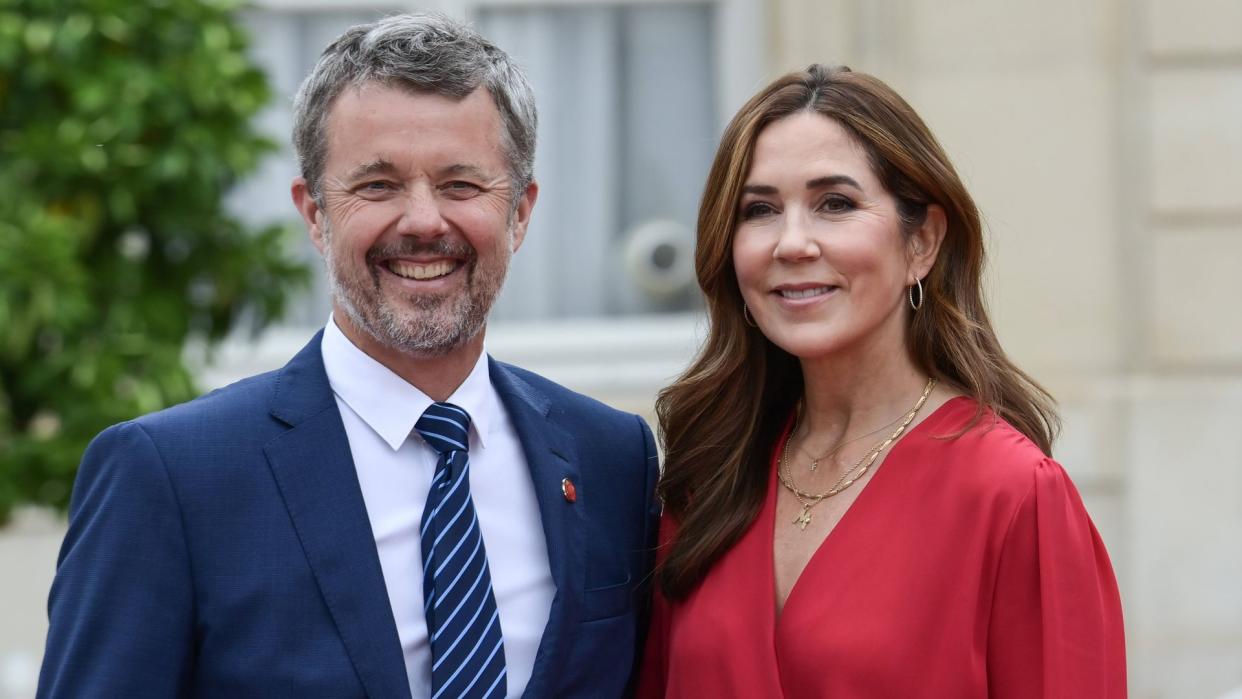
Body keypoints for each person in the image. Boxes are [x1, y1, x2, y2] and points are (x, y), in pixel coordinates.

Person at [38, 14, 659, 699]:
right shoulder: (169, 476)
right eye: (377, 185)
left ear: (520, 212)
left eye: (461, 184)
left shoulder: (611, 458)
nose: (424, 221)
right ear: (313, 213)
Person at [638, 65, 1125, 697]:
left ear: (921, 242)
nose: (791, 243)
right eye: (759, 210)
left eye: (834, 203)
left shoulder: (1011, 494)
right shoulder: (710, 476)